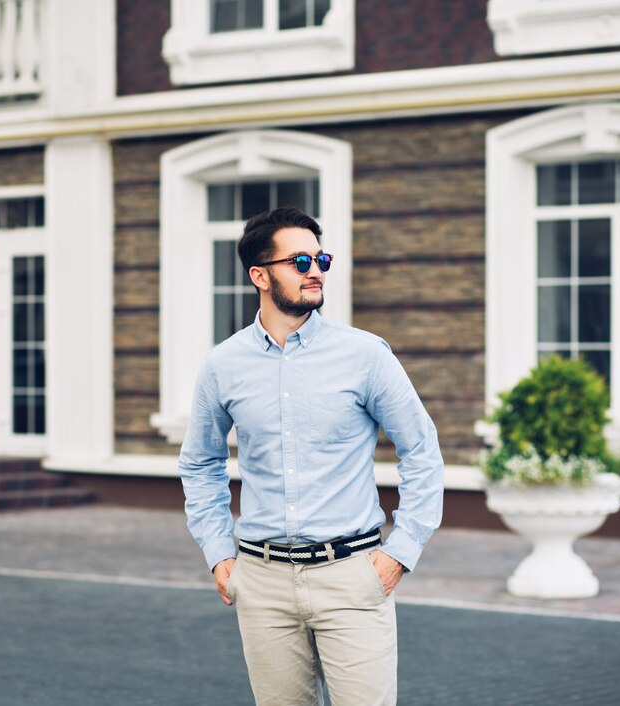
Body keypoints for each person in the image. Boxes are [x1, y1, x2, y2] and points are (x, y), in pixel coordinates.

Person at [178, 206, 444, 705]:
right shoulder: (223, 365)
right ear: (260, 275)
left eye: (321, 258)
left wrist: (400, 553)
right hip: (261, 585)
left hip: (352, 579)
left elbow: (422, 451)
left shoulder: (366, 355)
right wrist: (218, 554)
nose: (316, 270)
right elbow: (200, 462)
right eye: (300, 261)